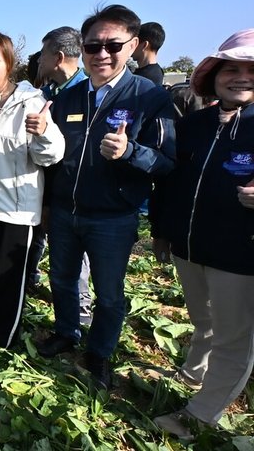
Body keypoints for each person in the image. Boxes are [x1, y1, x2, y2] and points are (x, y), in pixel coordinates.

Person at [38, 5, 175, 389]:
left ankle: (98, 353)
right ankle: (67, 331)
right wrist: (48, 203)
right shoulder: (69, 97)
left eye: (112, 45)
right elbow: (52, 157)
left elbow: (167, 161)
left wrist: (131, 151)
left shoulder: (149, 98)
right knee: (62, 278)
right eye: (93, 45)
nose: (101, 54)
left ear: (133, 46)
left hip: (112, 217)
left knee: (109, 293)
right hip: (66, 210)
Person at [150, 29, 254, 439]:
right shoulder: (194, 124)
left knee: (235, 336)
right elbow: (169, 182)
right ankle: (194, 372)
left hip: (240, 253)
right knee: (202, 318)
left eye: (250, 70)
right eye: (231, 69)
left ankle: (200, 416)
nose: (240, 77)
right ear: (214, 75)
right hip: (189, 245)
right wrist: (162, 230)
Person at [0, 32, 64, 348]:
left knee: (7, 282)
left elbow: (52, 154)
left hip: (14, 210)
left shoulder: (31, 103)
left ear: (9, 64)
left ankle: (0, 342)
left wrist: (44, 132)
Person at [32, 27, 93, 326]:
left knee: (76, 261)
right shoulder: (47, 93)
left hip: (76, 194)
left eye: (43, 54)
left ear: (57, 57)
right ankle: (64, 323)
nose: (39, 61)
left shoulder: (87, 92)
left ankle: (81, 314)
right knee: (51, 254)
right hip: (48, 190)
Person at [132, 22, 166, 86]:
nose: (131, 46)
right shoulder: (156, 72)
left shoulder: (146, 78)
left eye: (135, 42)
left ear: (144, 45)